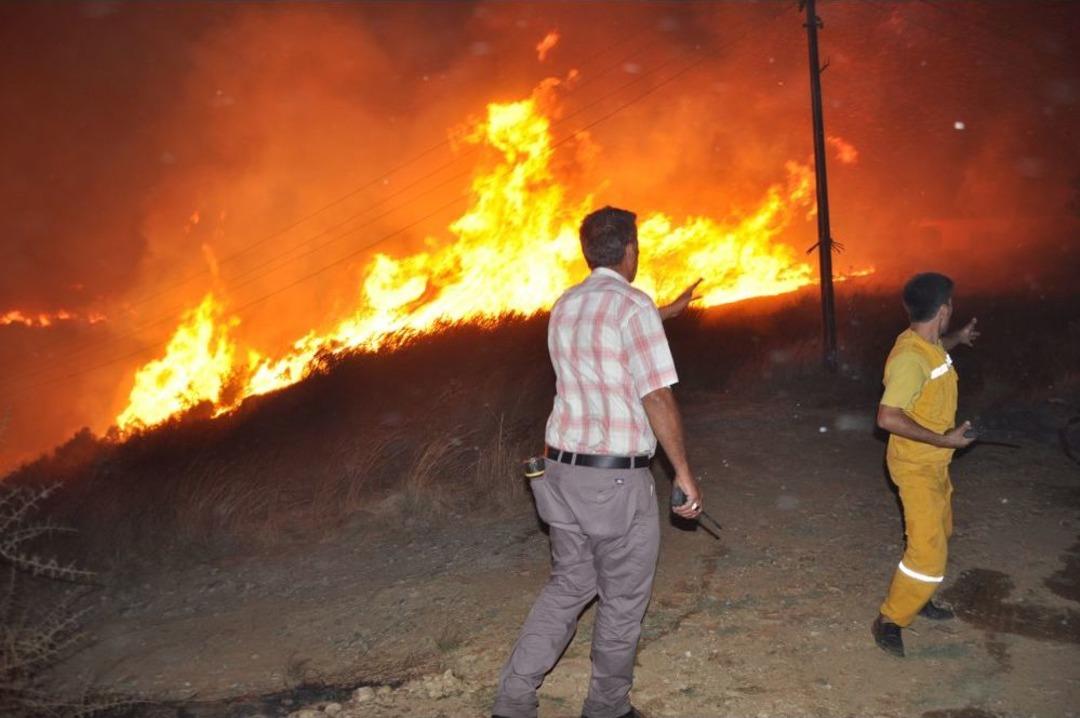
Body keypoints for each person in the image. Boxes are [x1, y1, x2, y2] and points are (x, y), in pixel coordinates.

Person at [492, 206, 703, 718]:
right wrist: (683, 473)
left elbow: (610, 336)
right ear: (631, 249)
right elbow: (655, 396)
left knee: (570, 584)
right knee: (623, 598)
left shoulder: (565, 305)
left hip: (558, 473)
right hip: (613, 482)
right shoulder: (632, 306)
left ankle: (513, 701)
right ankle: (607, 707)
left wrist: (668, 311)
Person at [872, 272, 980, 657]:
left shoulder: (927, 344)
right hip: (916, 465)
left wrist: (958, 340)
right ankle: (890, 619)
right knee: (928, 552)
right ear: (945, 308)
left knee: (940, 532)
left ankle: (920, 596)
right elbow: (887, 417)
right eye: (952, 304)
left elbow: (936, 354)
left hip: (934, 463)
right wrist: (944, 439)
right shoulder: (909, 358)